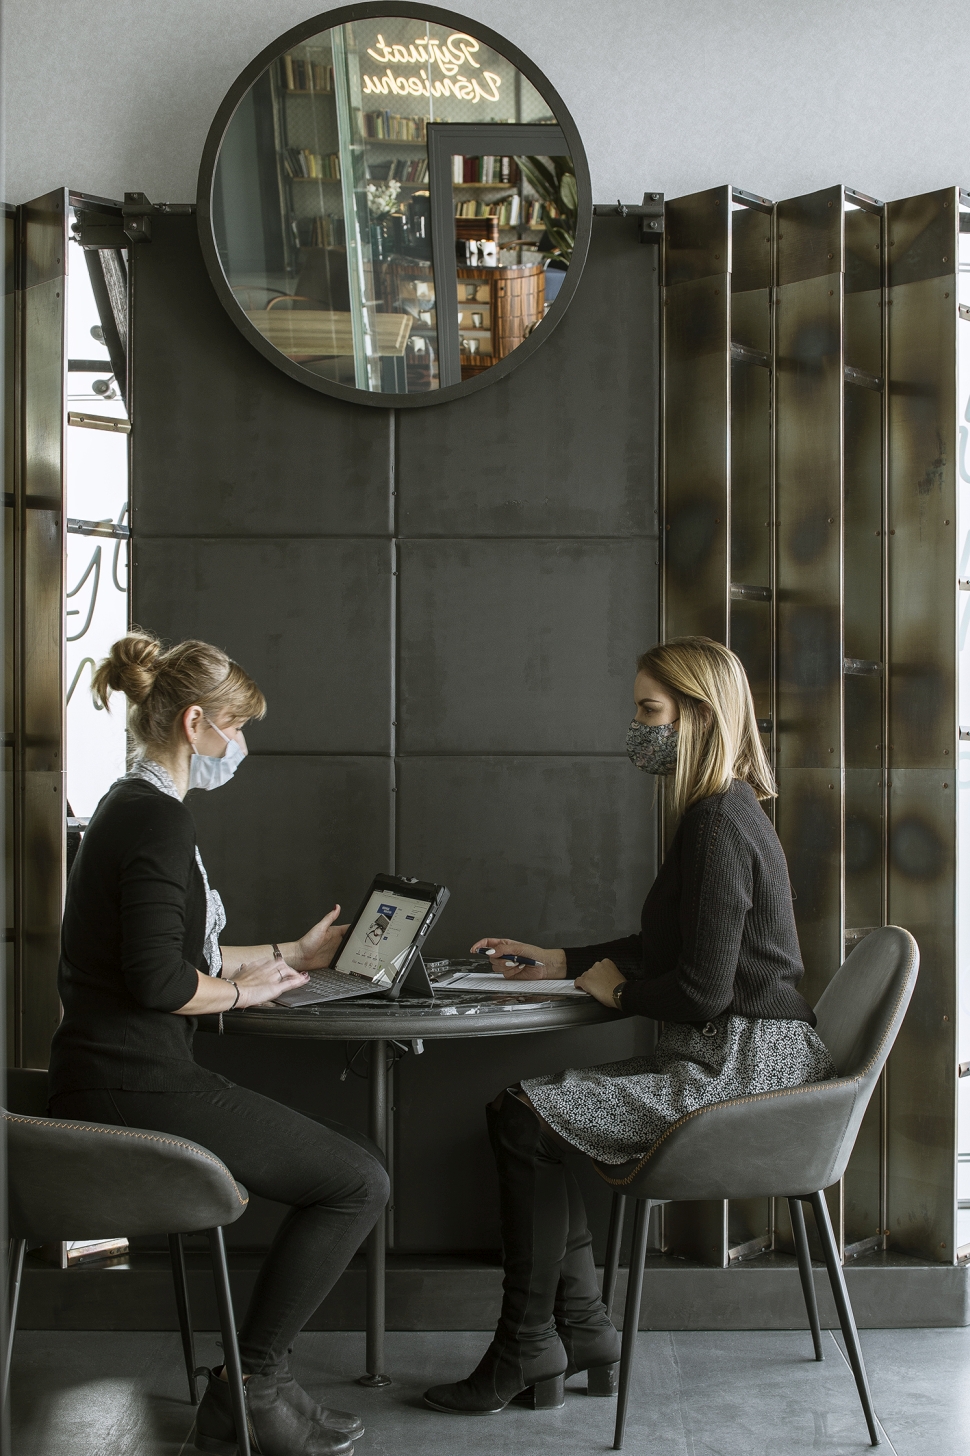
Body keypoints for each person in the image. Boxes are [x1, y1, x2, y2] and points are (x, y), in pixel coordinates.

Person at [424, 636, 835, 1416]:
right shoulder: (726, 810)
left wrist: (619, 995)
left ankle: (532, 1344)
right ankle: (578, 1331)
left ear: (699, 717)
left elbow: (702, 991)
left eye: (650, 712)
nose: (638, 730)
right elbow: (671, 946)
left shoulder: (716, 823)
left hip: (739, 1071)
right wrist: (562, 960)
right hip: (748, 1057)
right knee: (524, 1114)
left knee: (522, 1118)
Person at [47, 632, 388, 1456]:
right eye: (235, 727)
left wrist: (291, 956)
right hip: (135, 1083)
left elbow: (166, 955)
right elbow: (162, 984)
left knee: (353, 1170)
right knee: (357, 1182)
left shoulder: (128, 805)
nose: (240, 746)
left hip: (111, 1072)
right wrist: (243, 992)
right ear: (195, 722)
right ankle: (252, 1391)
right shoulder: (157, 820)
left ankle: (252, 1387)